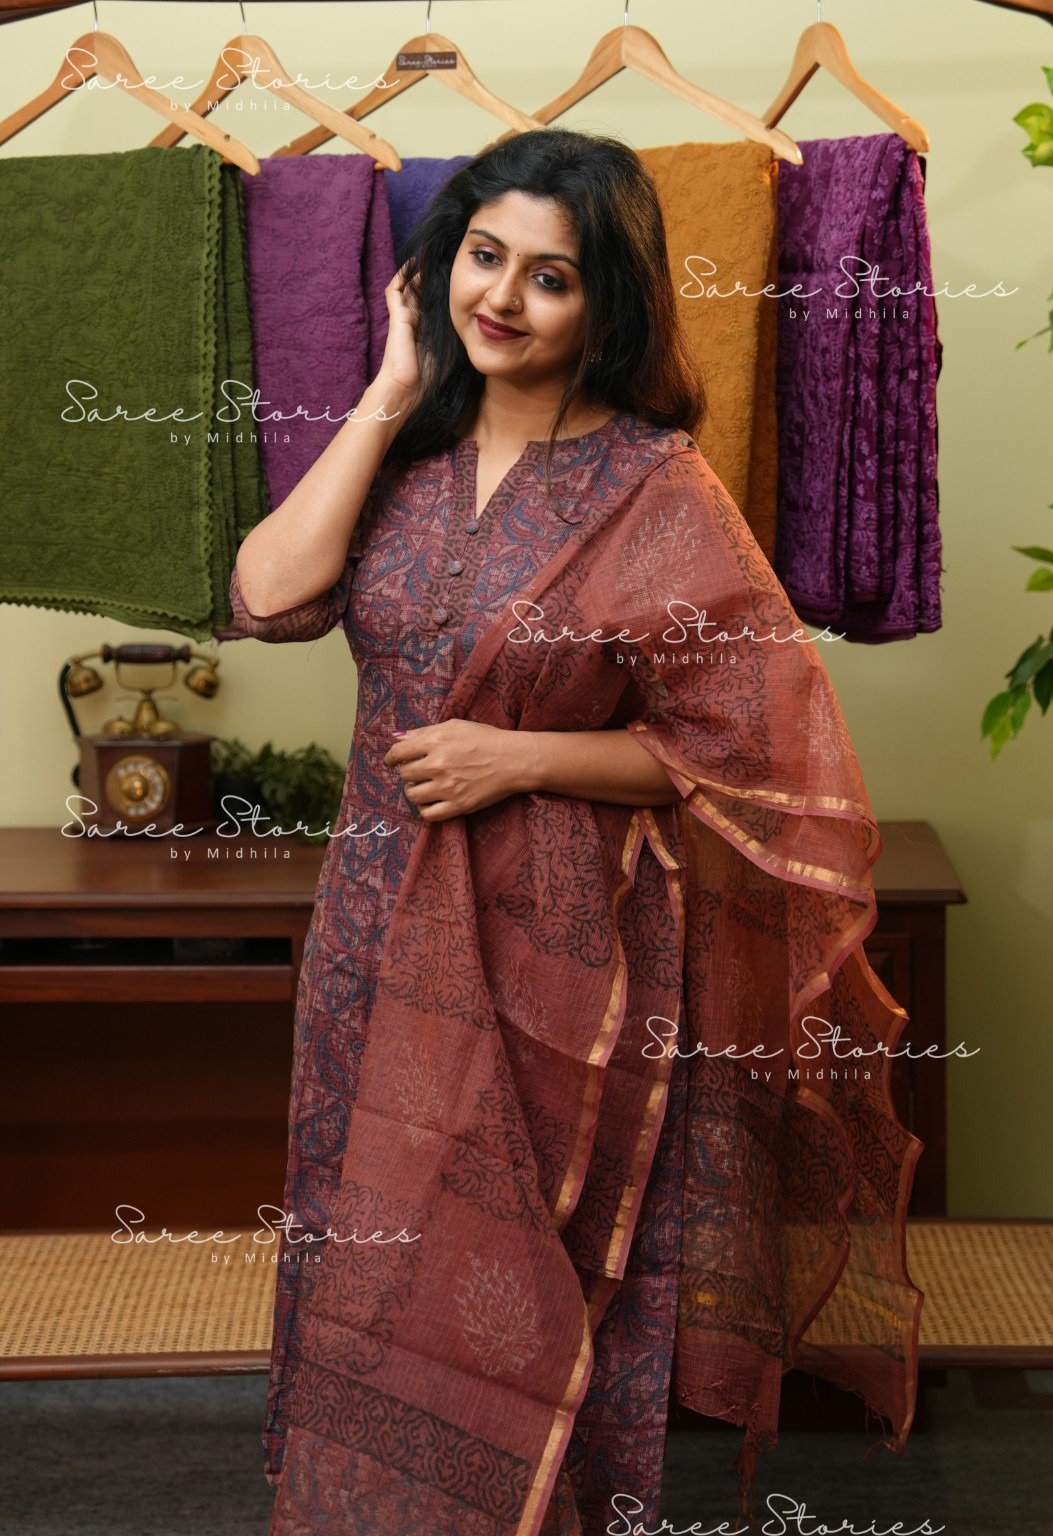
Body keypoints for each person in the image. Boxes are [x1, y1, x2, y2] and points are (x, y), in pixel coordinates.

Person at [225, 128, 922, 1536]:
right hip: (375, 928)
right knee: (371, 1251)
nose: (503, 297)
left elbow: (752, 744)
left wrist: (520, 757)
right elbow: (265, 596)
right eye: (482, 257)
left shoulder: (654, 487)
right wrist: (387, 387)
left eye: (549, 277)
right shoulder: (404, 452)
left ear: (607, 304)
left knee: (527, 1267)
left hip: (559, 946)